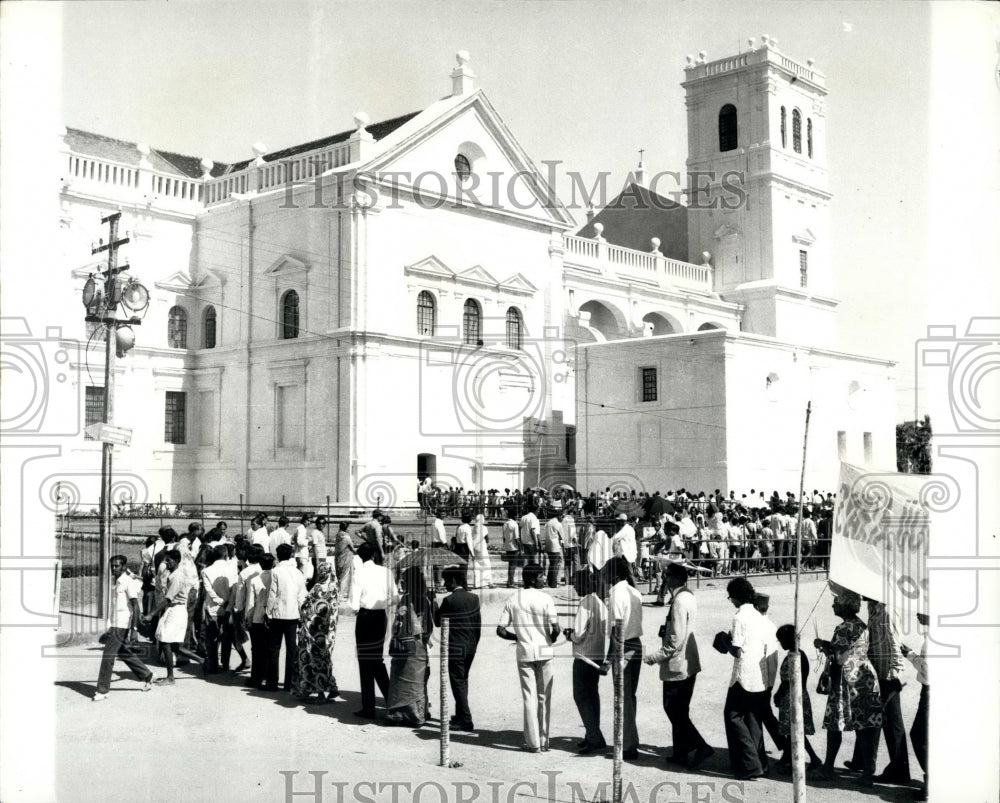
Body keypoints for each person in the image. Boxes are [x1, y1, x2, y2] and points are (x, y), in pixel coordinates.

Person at [644, 562, 714, 768]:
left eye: (666, 576)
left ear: (675, 578)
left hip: (678, 664)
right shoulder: (687, 596)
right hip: (687, 661)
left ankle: (700, 746)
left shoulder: (679, 601)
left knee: (673, 709)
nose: (664, 579)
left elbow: (675, 640)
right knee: (680, 709)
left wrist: (654, 657)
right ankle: (681, 752)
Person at [813, 590, 883, 786]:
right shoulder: (861, 625)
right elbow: (850, 649)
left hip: (846, 680)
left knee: (835, 725)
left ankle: (828, 768)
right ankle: (867, 772)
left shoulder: (843, 628)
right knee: (864, 726)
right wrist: (827, 645)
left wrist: (825, 648)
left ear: (845, 606)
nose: (833, 605)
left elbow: (839, 658)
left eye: (836, 602)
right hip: (864, 677)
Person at [496, 562, 560, 753]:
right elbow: (556, 628)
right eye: (541, 576)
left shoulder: (514, 599)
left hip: (524, 652)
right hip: (544, 650)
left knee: (529, 697)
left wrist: (517, 637)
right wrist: (551, 638)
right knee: (544, 697)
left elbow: (500, 630)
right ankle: (544, 740)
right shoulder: (546, 598)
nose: (544, 579)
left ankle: (533, 743)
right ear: (532, 579)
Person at [847, 598, 911, 785]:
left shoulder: (887, 611)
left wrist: (895, 673)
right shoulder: (874, 607)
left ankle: (898, 770)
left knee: (890, 722)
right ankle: (862, 761)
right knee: (879, 717)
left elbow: (894, 642)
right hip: (878, 672)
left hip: (888, 675)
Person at [715, 577, 770, 780]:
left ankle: (750, 764)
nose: (731, 601)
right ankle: (761, 762)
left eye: (731, 597)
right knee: (753, 718)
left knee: (733, 716)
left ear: (736, 597)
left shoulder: (739, 617)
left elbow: (737, 651)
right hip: (759, 673)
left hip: (743, 675)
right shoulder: (757, 614)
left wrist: (725, 642)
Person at [348, 542, 399, 718]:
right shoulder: (385, 572)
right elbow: (395, 597)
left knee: (365, 662)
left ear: (360, 556)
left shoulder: (359, 573)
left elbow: (354, 605)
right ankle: (391, 699)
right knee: (377, 659)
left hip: (365, 617)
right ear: (373, 555)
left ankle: (368, 706)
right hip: (380, 616)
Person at [94, 555, 154, 700]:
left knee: (108, 656)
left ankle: (103, 690)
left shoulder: (128, 582)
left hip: (122, 624)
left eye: (116, 566)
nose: (113, 568)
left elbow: (135, 606)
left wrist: (134, 630)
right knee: (123, 652)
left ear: (123, 567)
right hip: (115, 623)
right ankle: (147, 675)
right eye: (112, 566)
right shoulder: (117, 582)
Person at [384, 565, 437, 726]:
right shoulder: (425, 600)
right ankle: (418, 714)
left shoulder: (405, 600)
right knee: (417, 681)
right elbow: (429, 626)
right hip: (419, 646)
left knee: (400, 679)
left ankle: (398, 714)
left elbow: (397, 625)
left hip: (405, 645)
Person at [564, 568, 608, 754]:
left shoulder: (585, 604)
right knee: (592, 696)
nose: (574, 587)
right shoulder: (600, 603)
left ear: (585, 584)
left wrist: (569, 635)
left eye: (576, 583)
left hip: (584, 657)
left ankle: (594, 737)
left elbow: (579, 633)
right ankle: (593, 734)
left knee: (581, 697)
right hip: (597, 655)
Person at [604, 556, 643, 761]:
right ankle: (630, 740)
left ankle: (627, 745)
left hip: (623, 646)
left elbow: (616, 631)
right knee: (630, 696)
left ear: (614, 574)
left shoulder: (616, 594)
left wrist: (608, 660)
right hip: (635, 644)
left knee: (623, 698)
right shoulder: (634, 591)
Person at [144, 549, 203, 685]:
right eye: (166, 561)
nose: (167, 563)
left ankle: (170, 677)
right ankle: (202, 660)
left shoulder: (177, 576)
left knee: (165, 642)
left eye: (169, 561)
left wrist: (151, 614)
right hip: (172, 610)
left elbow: (168, 598)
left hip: (176, 610)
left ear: (176, 561)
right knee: (173, 646)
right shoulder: (173, 575)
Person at [435, 566, 481, 731]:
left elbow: (438, 622)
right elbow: (478, 625)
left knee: (457, 682)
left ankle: (466, 719)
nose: (445, 584)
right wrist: (474, 644)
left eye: (446, 581)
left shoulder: (449, 600)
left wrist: (434, 604)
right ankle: (461, 714)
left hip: (456, 647)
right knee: (463, 680)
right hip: (471, 645)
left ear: (454, 581)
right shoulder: (474, 598)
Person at [772, 624, 821, 772]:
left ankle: (811, 758)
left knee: (795, 730)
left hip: (792, 697)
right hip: (796, 695)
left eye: (782, 640)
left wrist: (778, 694)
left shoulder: (795, 656)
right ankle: (788, 757)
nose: (781, 643)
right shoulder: (799, 654)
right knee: (792, 730)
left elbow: (788, 681)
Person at [292, 561, 340, 704]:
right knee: (324, 659)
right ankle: (330, 687)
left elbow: (306, 608)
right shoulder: (334, 588)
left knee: (311, 660)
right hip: (328, 632)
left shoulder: (316, 588)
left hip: (312, 631)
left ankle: (317, 694)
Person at [264, 542, 307, 692]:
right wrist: (302, 614)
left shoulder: (275, 571)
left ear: (278, 555)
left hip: (277, 614)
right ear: (291, 555)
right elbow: (302, 596)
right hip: (293, 614)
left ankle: (272, 683)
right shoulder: (298, 572)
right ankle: (289, 683)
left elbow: (272, 594)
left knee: (274, 648)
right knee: (291, 649)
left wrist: (268, 613)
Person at [752, 593, 786, 756]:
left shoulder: (757, 626)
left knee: (760, 714)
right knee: (764, 712)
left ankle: (785, 745)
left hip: (760, 679)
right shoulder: (771, 626)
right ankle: (783, 744)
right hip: (769, 677)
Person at [902, 612, 929, 801]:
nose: (918, 615)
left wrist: (911, 656)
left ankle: (932, 781)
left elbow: (929, 670)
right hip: (928, 691)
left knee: (919, 736)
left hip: (931, 691)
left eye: (922, 612)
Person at [201, 544, 236, 675]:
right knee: (227, 636)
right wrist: (227, 603)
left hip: (213, 607)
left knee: (211, 638)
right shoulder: (232, 569)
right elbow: (234, 589)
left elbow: (209, 590)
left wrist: (219, 601)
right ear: (226, 555)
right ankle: (225, 663)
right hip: (228, 608)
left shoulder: (206, 571)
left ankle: (213, 664)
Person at [244, 553, 275, 689]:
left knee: (257, 649)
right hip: (272, 616)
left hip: (257, 616)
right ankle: (268, 676)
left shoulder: (255, 580)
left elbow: (251, 603)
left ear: (260, 564)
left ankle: (256, 677)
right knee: (269, 648)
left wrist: (248, 618)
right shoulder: (275, 577)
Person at [470, 512, 493, 590]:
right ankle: (486, 582)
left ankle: (477, 584)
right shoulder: (484, 528)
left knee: (476, 565)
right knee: (486, 564)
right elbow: (487, 539)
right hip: (481, 547)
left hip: (474, 547)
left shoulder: (473, 528)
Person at [500, 509, 521, 588]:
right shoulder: (515, 524)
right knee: (513, 565)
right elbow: (517, 538)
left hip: (507, 546)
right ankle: (511, 582)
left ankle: (509, 581)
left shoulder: (505, 524)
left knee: (510, 564)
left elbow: (504, 537)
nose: (517, 516)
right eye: (517, 515)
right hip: (514, 547)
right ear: (514, 516)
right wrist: (520, 547)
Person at [544, 512, 564, 587]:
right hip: (555, 546)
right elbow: (562, 537)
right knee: (555, 565)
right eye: (562, 516)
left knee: (551, 564)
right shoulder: (558, 524)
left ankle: (549, 581)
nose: (562, 518)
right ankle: (553, 583)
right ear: (559, 515)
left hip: (548, 545)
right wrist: (563, 546)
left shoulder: (548, 523)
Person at [333, 521, 355, 590]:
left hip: (338, 558)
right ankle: (343, 592)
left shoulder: (338, 536)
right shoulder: (346, 537)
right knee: (345, 577)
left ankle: (340, 590)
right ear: (346, 528)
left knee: (340, 576)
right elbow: (353, 549)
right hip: (346, 559)